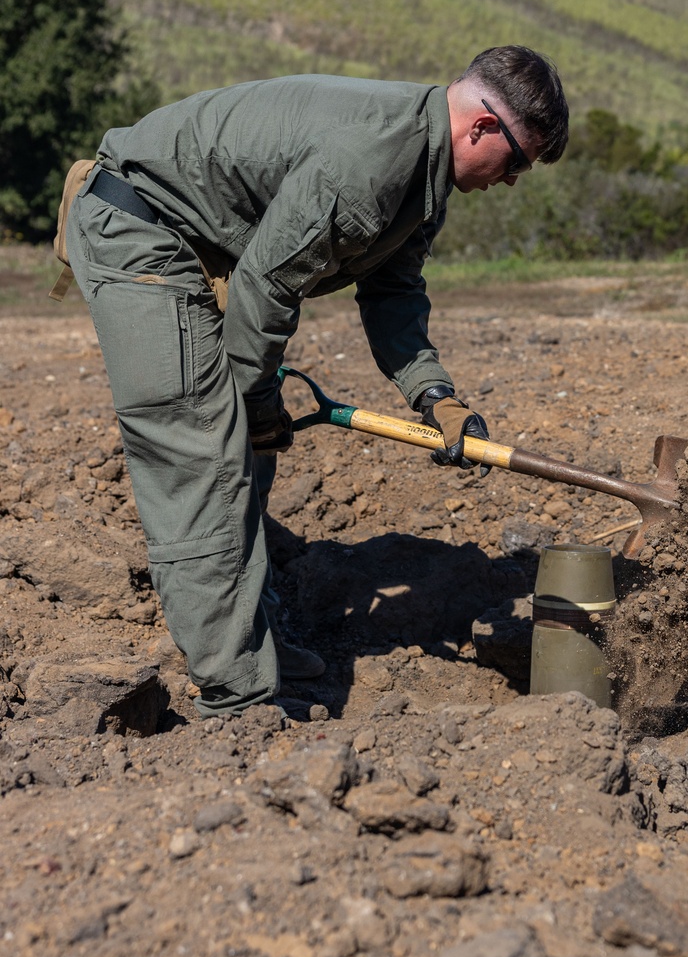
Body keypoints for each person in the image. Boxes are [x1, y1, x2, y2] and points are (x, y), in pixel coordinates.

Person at [64, 45, 569, 716]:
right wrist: (257, 393)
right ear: (481, 126)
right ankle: (237, 692)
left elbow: (393, 295)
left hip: (201, 246)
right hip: (141, 231)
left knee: (255, 449)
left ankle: (255, 644)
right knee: (204, 455)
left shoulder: (423, 181)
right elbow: (267, 286)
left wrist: (435, 397)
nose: (510, 181)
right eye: (516, 162)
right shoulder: (372, 160)